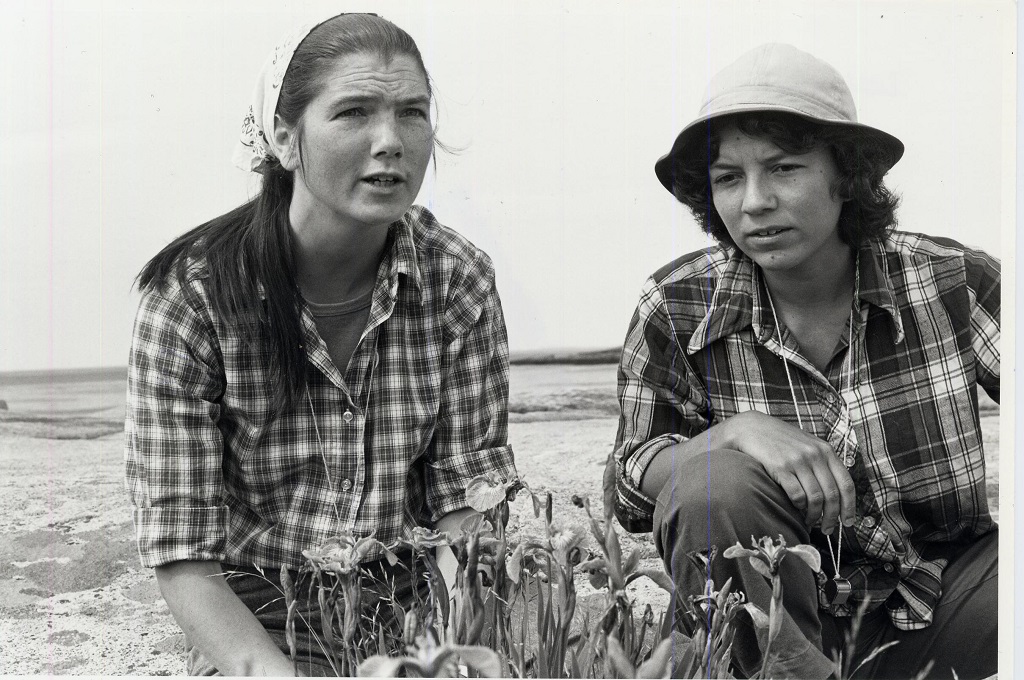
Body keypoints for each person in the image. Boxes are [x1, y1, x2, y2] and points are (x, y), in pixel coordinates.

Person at [124, 13, 516, 676]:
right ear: (284, 137)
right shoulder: (192, 297)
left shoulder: (457, 279)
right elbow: (184, 557)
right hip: (260, 612)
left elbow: (468, 511)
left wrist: (442, 654)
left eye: (412, 112)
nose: (391, 141)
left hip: (414, 603)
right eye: (354, 112)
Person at [609, 43, 998, 679]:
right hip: (780, 629)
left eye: (784, 168)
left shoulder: (951, 279)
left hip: (951, 595)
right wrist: (729, 436)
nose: (754, 202)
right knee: (712, 483)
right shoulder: (677, 304)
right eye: (728, 177)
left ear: (848, 174)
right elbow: (630, 479)